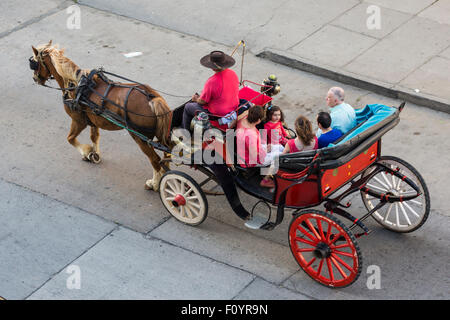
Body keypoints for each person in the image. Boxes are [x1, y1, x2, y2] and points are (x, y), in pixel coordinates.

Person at [182, 50, 239, 130]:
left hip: (217, 115)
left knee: (188, 107)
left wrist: (195, 99)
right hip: (233, 107)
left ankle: (185, 133)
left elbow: (203, 101)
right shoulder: (233, 73)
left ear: (212, 67)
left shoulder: (212, 81)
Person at [260, 115, 317, 188]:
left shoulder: (290, 144)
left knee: (276, 158)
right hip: (307, 166)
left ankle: (266, 179)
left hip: (294, 168)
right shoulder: (315, 139)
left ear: (296, 130)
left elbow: (280, 159)